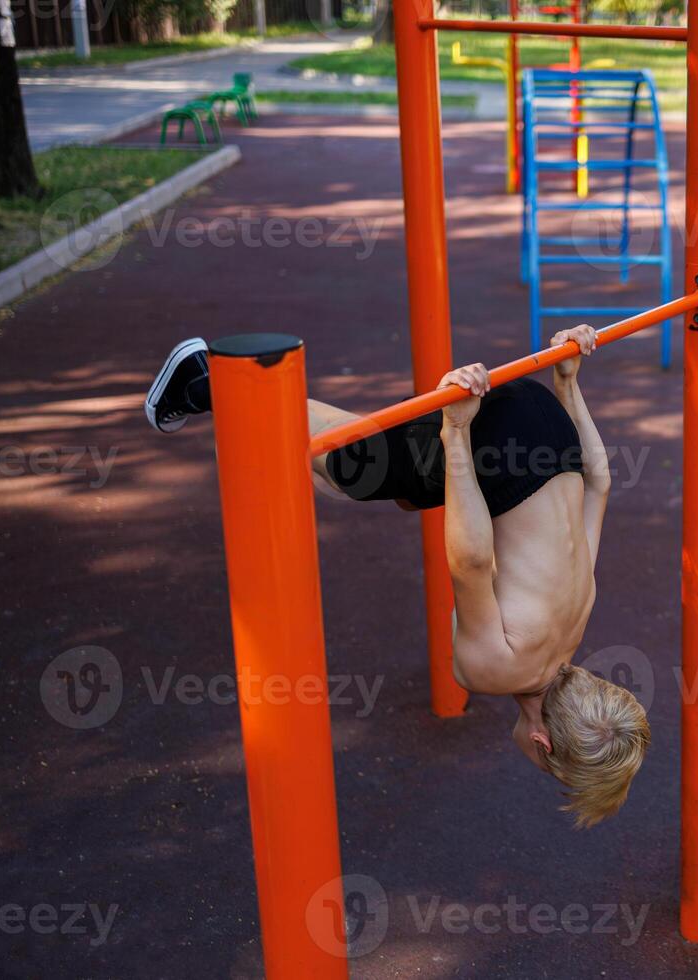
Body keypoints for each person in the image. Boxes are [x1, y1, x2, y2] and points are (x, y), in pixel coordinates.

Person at [145, 327, 650, 827]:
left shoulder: (576, 622)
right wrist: (456, 430)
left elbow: (599, 484)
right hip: (497, 447)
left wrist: (567, 381)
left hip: (547, 425)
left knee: (394, 477)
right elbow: (470, 562)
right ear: (542, 746)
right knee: (349, 464)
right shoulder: (497, 671)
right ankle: (204, 380)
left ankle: (284, 433)